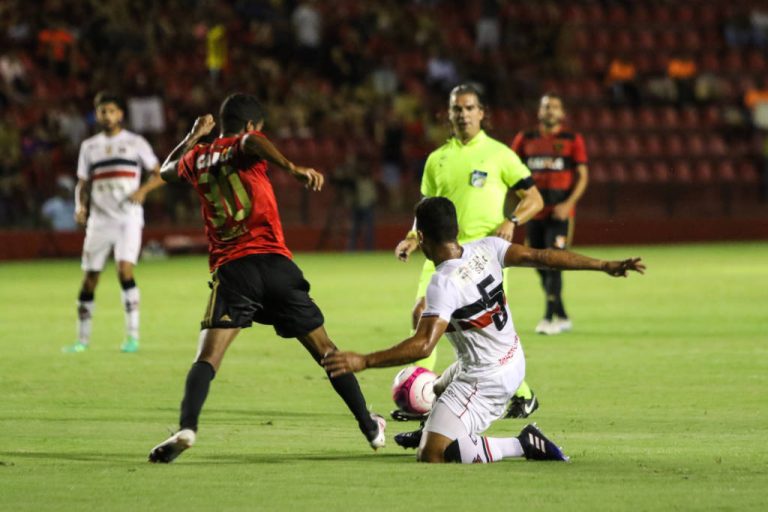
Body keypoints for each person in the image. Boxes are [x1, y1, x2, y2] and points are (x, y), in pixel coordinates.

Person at [148, 93, 385, 463]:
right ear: (251, 125)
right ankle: (369, 426)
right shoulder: (243, 144)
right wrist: (292, 168)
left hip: (234, 271)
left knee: (207, 358)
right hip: (275, 265)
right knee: (326, 351)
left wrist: (193, 135)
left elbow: (165, 170)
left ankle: (188, 427)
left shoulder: (197, 157)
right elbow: (251, 143)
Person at [323, 197, 645, 464]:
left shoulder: (443, 283)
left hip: (486, 378)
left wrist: (363, 360)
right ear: (457, 229)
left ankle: (522, 444)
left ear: (420, 238)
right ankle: (433, 426)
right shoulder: (487, 247)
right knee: (436, 389)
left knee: (432, 454)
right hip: (511, 357)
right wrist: (603, 265)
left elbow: (422, 346)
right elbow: (543, 256)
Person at [394, 83, 544, 419]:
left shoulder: (500, 154)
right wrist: (411, 237)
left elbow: (534, 198)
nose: (462, 114)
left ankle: (521, 392)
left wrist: (512, 219)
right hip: (440, 253)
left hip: (481, 255)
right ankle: (422, 394)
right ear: (448, 115)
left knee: (483, 328)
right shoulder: (436, 160)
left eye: (469, 108)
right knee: (422, 316)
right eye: (456, 109)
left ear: (482, 113)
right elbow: (425, 210)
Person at [63, 91, 164, 354]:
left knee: (124, 271)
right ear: (97, 115)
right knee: (89, 279)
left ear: (120, 114)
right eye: (102, 111)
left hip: (128, 218)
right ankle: (82, 340)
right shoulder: (89, 147)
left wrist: (142, 191)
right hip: (99, 220)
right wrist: (80, 205)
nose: (107, 115)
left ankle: (132, 336)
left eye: (111, 110)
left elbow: (160, 173)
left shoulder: (135, 142)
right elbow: (82, 184)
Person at [511, 93, 589, 336]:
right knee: (537, 262)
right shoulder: (525, 138)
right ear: (539, 112)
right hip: (534, 213)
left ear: (562, 113)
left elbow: (583, 176)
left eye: (555, 107)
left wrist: (568, 204)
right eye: (546, 106)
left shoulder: (572, 139)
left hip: (559, 214)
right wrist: (524, 201)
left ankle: (549, 316)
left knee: (554, 261)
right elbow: (510, 171)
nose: (550, 111)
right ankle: (562, 314)